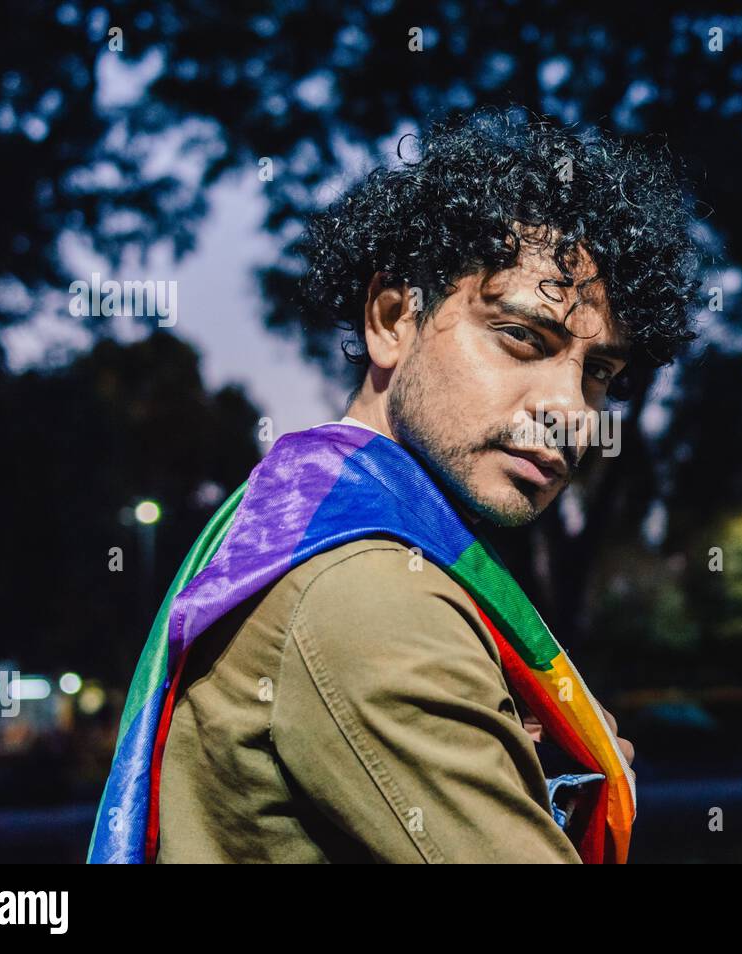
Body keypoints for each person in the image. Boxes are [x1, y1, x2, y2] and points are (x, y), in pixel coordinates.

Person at [149, 106, 703, 863]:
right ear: (391, 319)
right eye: (522, 337)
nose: (572, 411)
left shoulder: (301, 519)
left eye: (599, 371)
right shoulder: (368, 588)